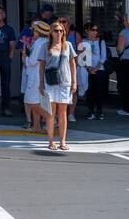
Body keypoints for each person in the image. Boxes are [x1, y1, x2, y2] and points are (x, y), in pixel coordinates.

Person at [40, 21, 78, 151]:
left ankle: (62, 141)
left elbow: (73, 64)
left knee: (63, 113)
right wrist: (41, 83)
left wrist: (74, 82)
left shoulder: (68, 45)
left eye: (61, 30)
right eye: (56, 30)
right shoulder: (45, 46)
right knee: (50, 113)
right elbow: (42, 65)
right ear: (51, 32)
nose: (59, 33)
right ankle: (51, 141)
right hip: (50, 83)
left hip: (65, 82)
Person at [22, 20, 51, 134]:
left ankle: (51, 119)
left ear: (37, 32)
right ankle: (37, 126)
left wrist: (25, 55)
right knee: (36, 101)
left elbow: (32, 61)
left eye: (33, 30)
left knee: (31, 101)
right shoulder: (45, 42)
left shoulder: (39, 43)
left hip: (35, 76)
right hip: (40, 75)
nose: (32, 32)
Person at [81, 24, 108, 121]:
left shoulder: (101, 41)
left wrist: (95, 69)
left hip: (99, 70)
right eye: (92, 30)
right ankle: (91, 111)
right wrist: (88, 68)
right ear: (87, 31)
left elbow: (103, 58)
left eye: (96, 30)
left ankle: (100, 112)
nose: (95, 32)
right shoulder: (83, 42)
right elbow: (81, 57)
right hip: (87, 70)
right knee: (89, 92)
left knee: (98, 92)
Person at [116, 17, 129, 117]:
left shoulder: (124, 32)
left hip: (127, 61)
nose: (123, 22)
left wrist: (118, 50)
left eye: (124, 20)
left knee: (126, 86)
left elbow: (120, 49)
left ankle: (128, 110)